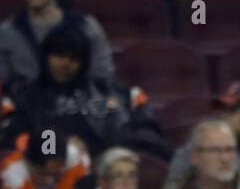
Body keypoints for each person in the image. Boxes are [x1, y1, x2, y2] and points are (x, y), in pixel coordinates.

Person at [0, 23, 170, 162]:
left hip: (106, 171)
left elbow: (147, 136)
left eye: (73, 59)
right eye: (59, 55)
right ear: (46, 57)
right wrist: (62, 147)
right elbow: (12, 144)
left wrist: (108, 155)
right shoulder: (25, 97)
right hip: (48, 172)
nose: (65, 64)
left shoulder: (108, 93)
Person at [0, 0, 114, 89]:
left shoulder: (86, 26)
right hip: (24, 102)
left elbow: (102, 76)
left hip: (79, 101)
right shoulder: (8, 31)